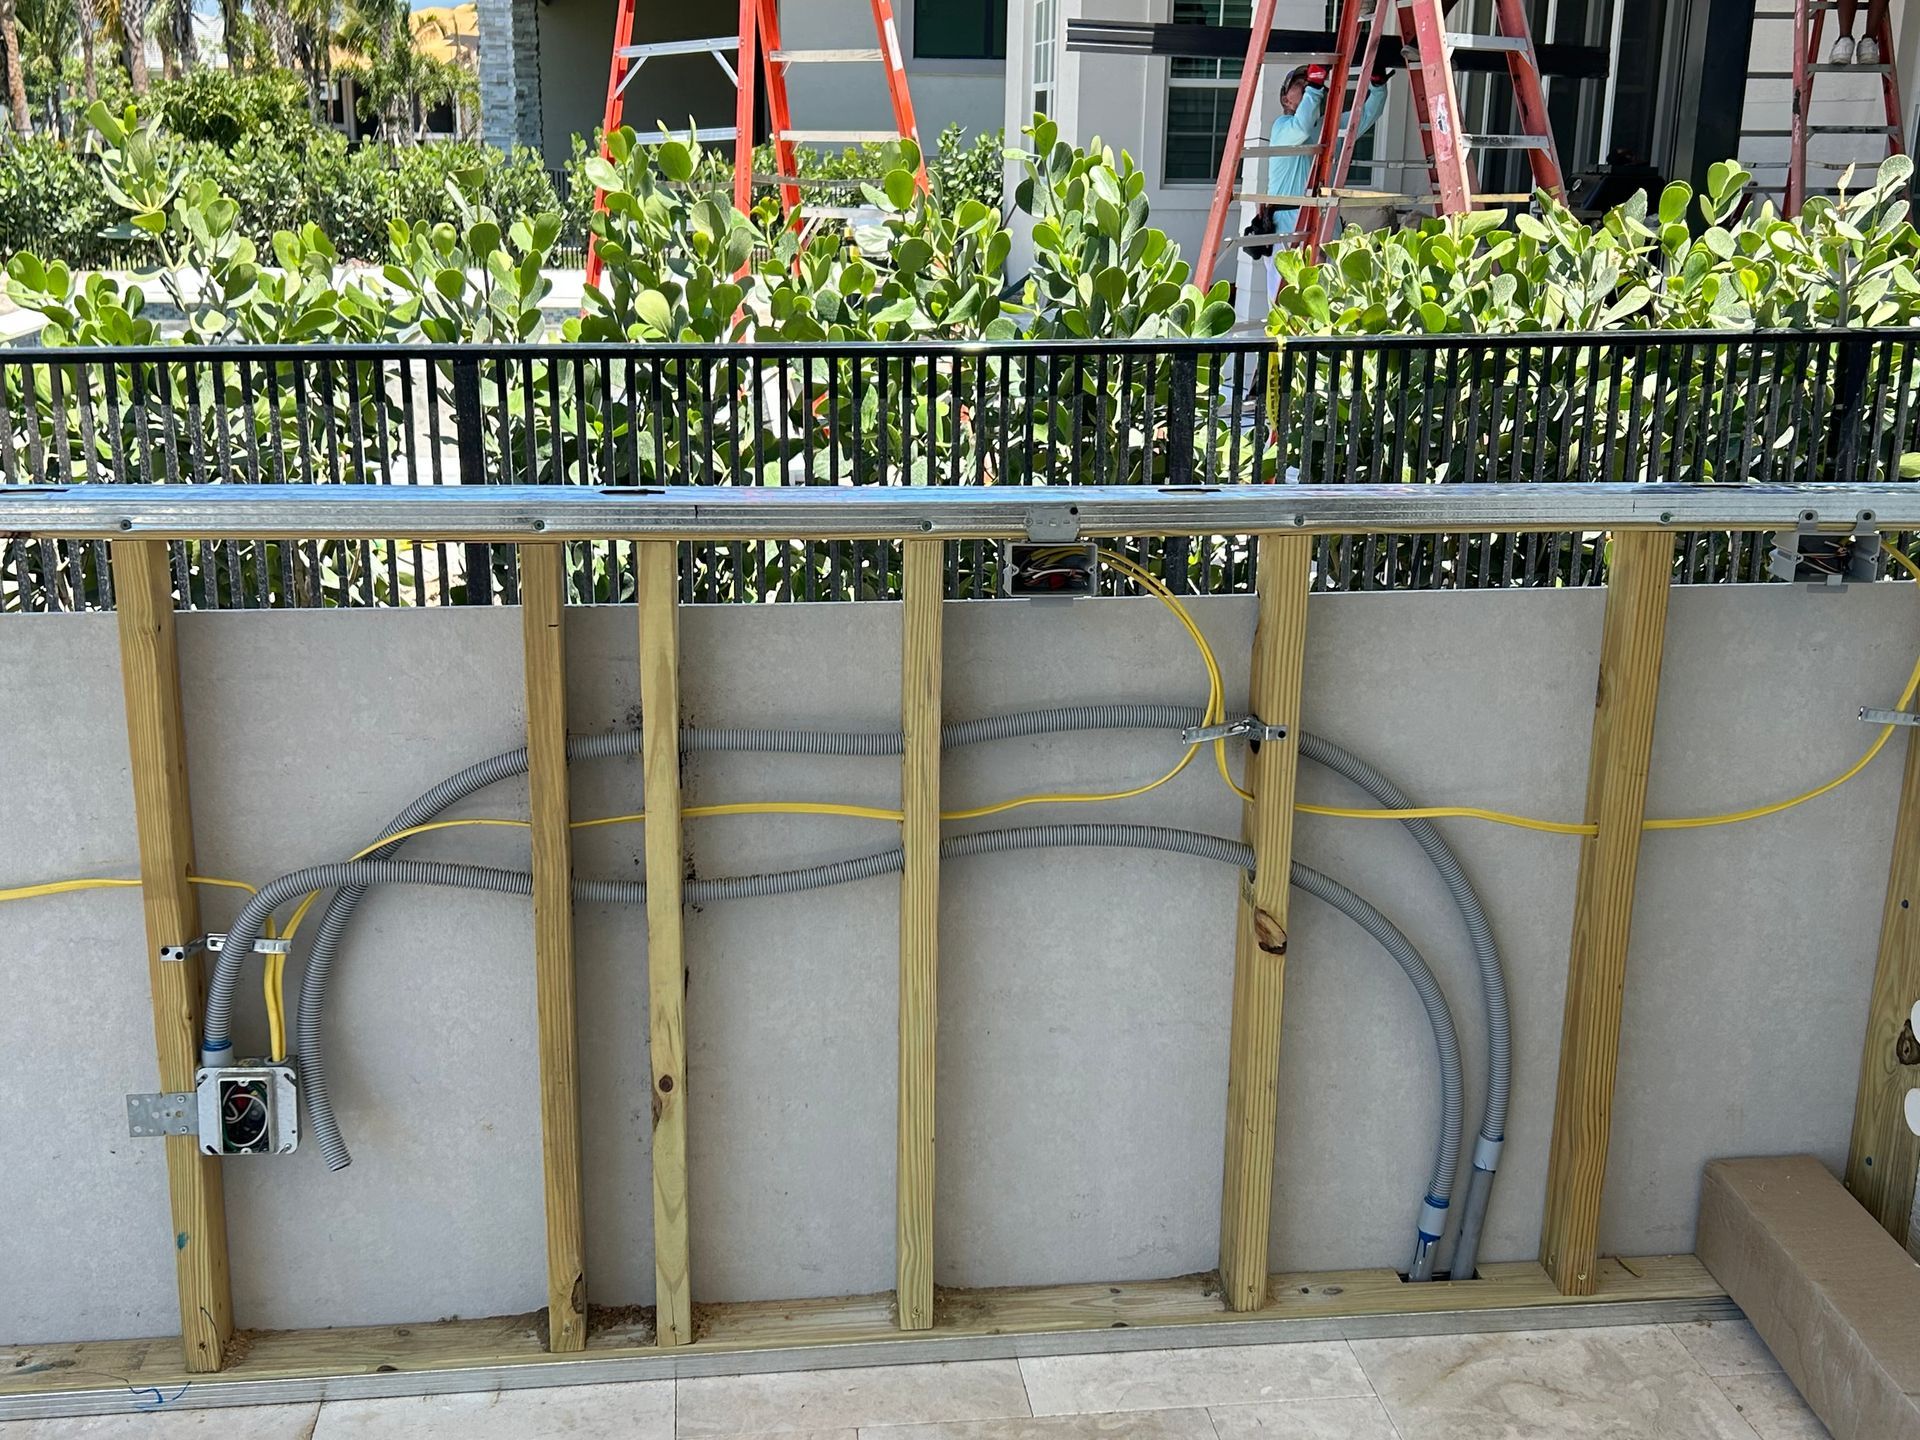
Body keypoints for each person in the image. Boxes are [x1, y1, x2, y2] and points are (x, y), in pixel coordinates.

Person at [1260, 60, 1392, 297]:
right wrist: (1315, 86)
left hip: (1325, 227)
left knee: (1326, 303)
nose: (1306, 87)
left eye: (1308, 83)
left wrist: (1378, 86)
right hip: (1288, 230)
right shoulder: (1283, 127)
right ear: (1285, 99)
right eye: (1300, 84)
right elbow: (1301, 127)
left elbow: (1366, 115)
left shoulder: (1328, 129)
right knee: (1289, 303)